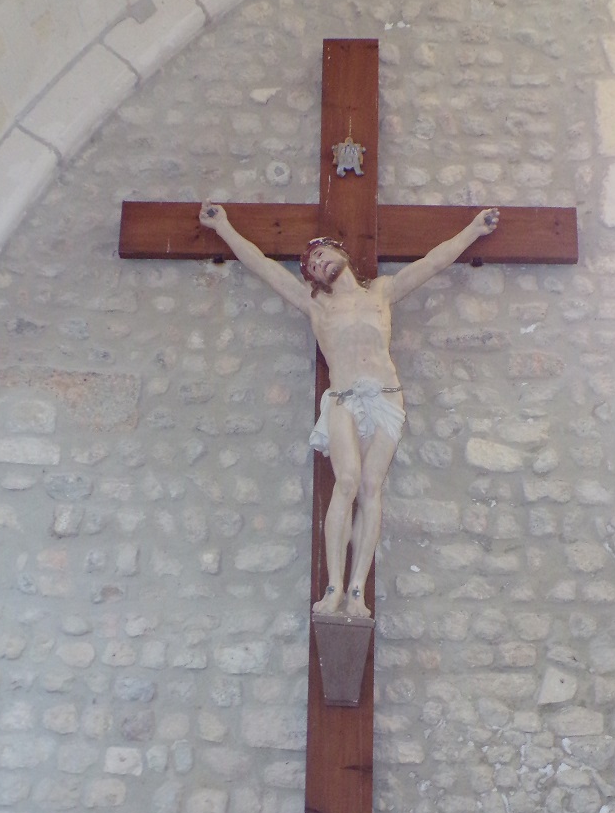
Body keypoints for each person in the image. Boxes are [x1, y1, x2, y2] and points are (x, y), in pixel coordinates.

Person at [199, 201, 500, 618]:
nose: (320, 261)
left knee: (371, 487)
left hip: (386, 397)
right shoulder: (317, 305)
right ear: (314, 279)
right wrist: (225, 228)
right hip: (342, 398)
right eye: (313, 263)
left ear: (342, 254)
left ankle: (358, 591)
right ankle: (334, 587)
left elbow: (432, 262)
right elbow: (265, 267)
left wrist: (473, 231)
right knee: (348, 480)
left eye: (323, 253)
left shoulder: (381, 292)